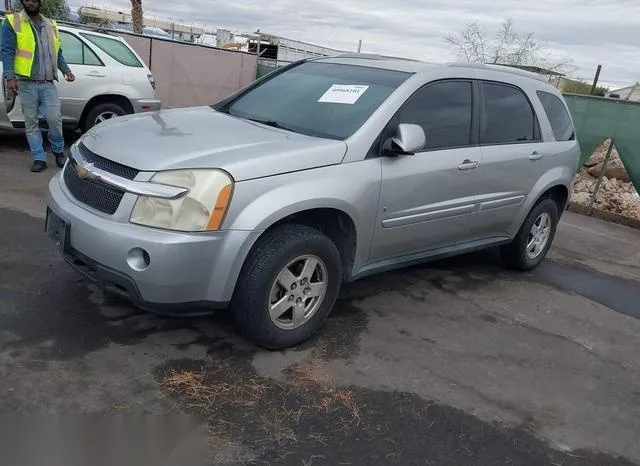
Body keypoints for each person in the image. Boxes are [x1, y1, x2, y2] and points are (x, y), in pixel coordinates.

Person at [1, 0, 75, 172]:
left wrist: (66, 70)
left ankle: (58, 152)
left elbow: (58, 52)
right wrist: (9, 77)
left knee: (54, 120)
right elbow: (6, 50)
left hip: (48, 83)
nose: (31, 3)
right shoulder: (13, 22)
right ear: (22, 2)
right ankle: (39, 158)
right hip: (26, 83)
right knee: (31, 123)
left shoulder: (50, 24)